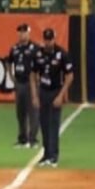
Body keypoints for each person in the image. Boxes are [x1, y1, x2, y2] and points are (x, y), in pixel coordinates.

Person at [31, 28, 74, 167]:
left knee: (54, 124)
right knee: (43, 124)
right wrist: (35, 95)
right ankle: (46, 154)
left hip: (56, 91)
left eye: (50, 39)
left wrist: (61, 95)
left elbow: (69, 75)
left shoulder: (62, 54)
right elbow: (33, 74)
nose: (48, 42)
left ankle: (54, 156)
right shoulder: (38, 54)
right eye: (46, 39)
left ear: (54, 39)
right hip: (43, 91)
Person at [7, 23, 39, 148]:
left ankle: (33, 139)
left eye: (24, 31)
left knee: (33, 112)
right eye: (20, 31)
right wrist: (12, 77)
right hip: (19, 82)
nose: (22, 34)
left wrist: (38, 80)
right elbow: (9, 63)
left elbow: (40, 64)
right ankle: (22, 139)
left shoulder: (34, 48)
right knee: (20, 113)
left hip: (31, 83)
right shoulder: (14, 48)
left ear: (28, 33)